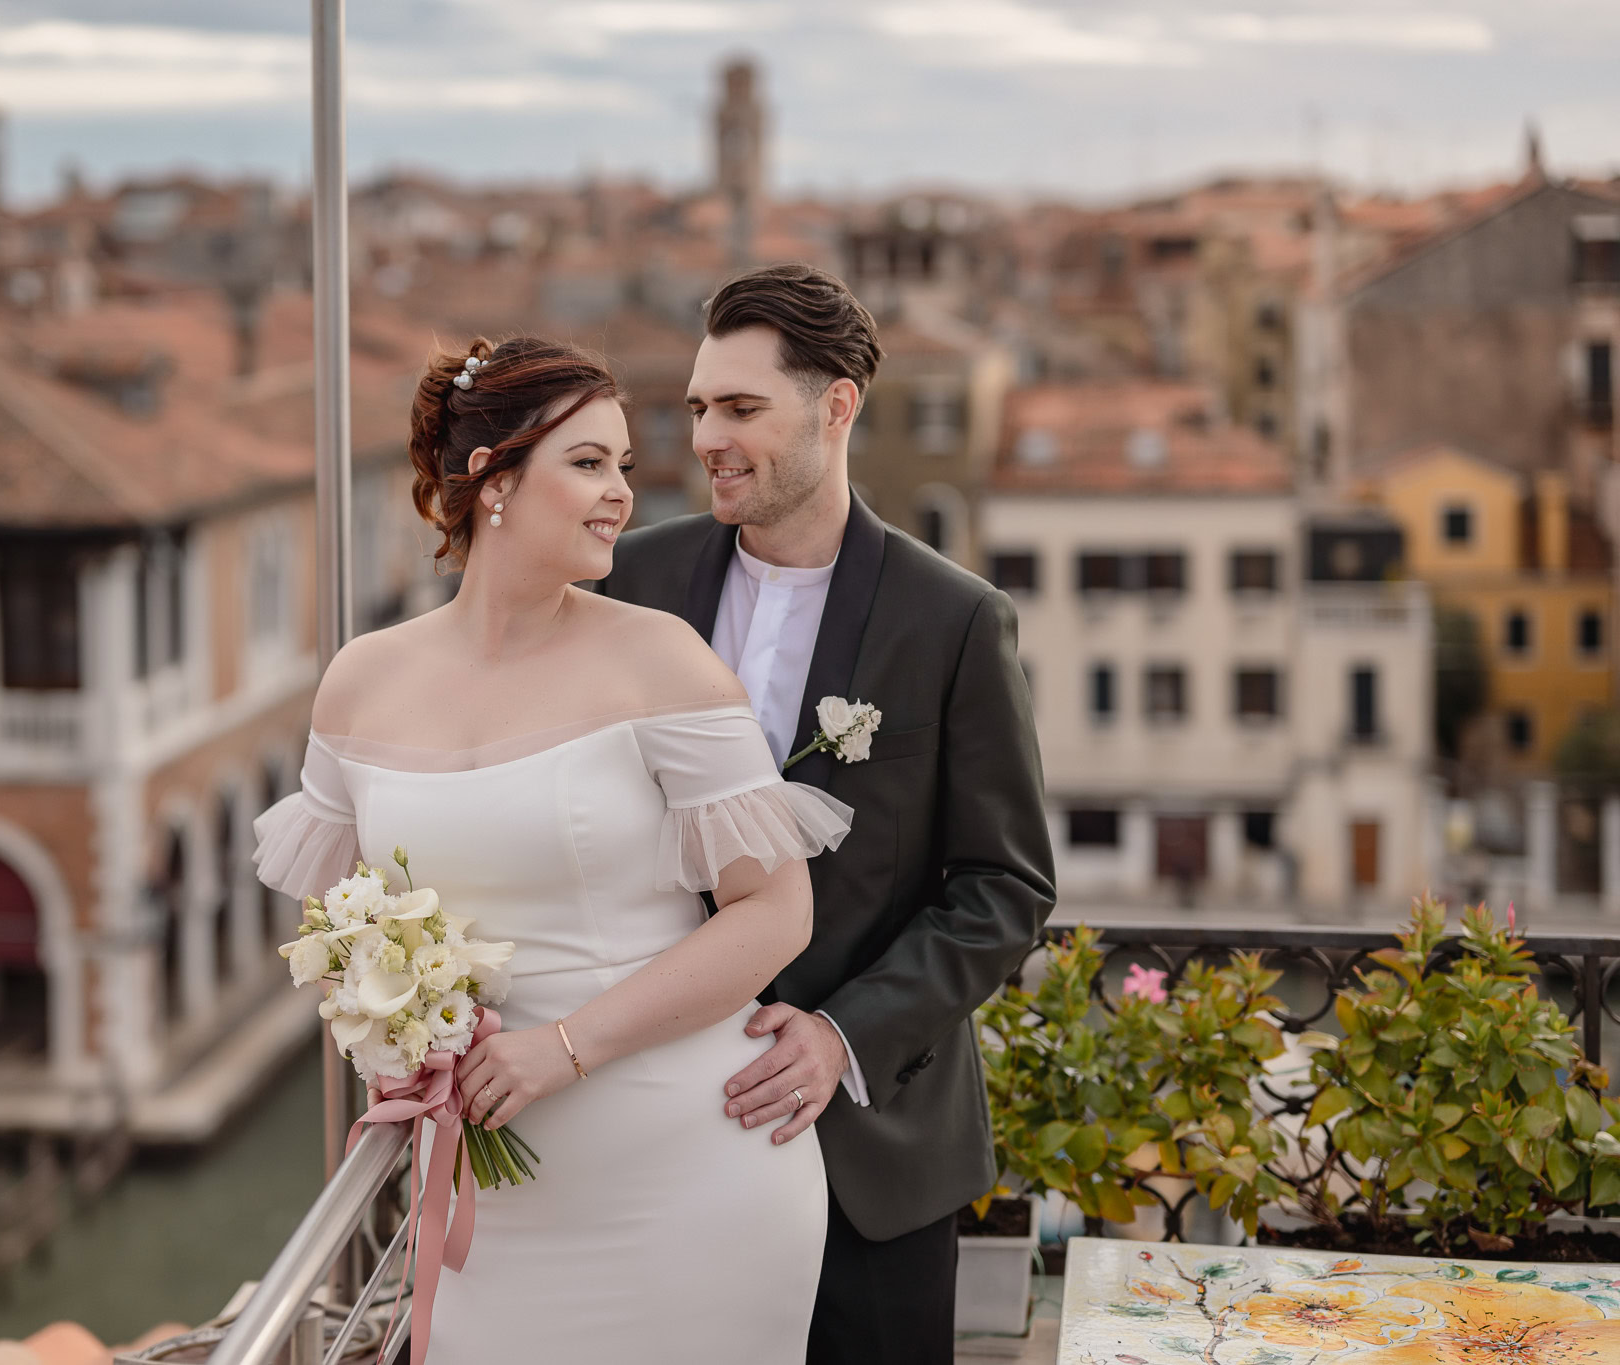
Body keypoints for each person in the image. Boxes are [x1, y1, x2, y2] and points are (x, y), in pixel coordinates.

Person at [251, 336, 851, 1364]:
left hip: (690, 1173)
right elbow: (340, 931)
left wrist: (563, 1048)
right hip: (495, 1198)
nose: (621, 492)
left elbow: (773, 910)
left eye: (620, 465)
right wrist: (397, 1037)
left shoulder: (658, 658)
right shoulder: (361, 680)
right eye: (586, 464)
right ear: (490, 479)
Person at [600, 262, 1057, 1365]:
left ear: (835, 406)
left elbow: (1003, 887)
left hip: (869, 1155)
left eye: (742, 408)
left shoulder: (953, 621)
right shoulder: (627, 584)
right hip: (648, 1135)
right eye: (699, 406)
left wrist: (840, 1036)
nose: (708, 434)